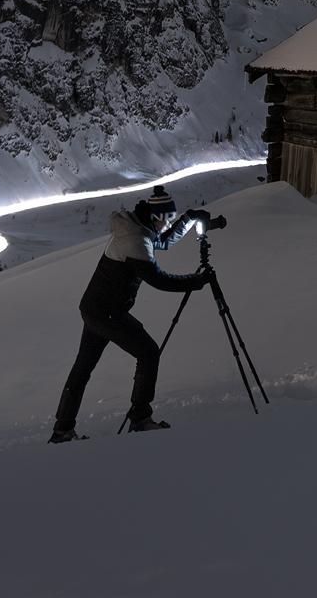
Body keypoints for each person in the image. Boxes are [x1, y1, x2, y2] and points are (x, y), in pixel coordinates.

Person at [49, 185, 212, 441]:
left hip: (95, 308)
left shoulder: (138, 227)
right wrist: (197, 280)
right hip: (107, 313)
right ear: (157, 217)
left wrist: (188, 219)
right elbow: (160, 280)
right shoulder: (135, 240)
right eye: (168, 219)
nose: (169, 224)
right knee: (148, 352)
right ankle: (141, 420)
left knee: (83, 368)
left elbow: (164, 240)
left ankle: (62, 431)